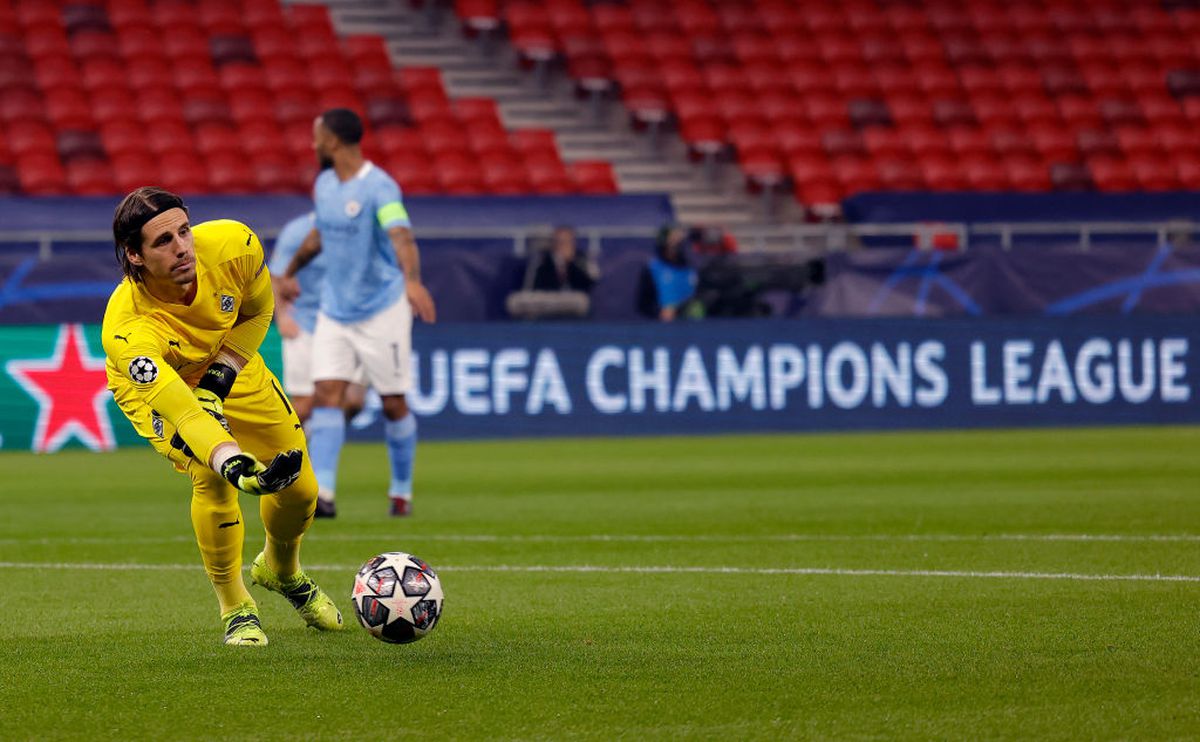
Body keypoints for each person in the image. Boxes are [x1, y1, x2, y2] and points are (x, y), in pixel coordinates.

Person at [101, 187, 343, 646]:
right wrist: (232, 461)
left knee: (302, 491)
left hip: (230, 363)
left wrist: (219, 378)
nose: (182, 248)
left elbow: (259, 311)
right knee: (211, 478)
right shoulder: (127, 331)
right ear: (134, 255)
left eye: (184, 232)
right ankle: (235, 606)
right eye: (163, 242)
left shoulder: (236, 245)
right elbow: (185, 412)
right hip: (163, 389)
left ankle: (281, 570)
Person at [281, 108, 436, 519]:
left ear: (332, 141)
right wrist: (289, 272)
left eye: (317, 136)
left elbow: (400, 233)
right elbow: (320, 236)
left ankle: (401, 491)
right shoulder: (325, 185)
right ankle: (324, 494)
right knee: (328, 394)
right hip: (335, 309)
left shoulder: (380, 188)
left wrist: (413, 280)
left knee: (392, 403)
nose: (313, 144)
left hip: (381, 309)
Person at [268, 210, 372, 428]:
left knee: (353, 400)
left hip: (348, 325)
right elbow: (275, 276)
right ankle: (277, 450)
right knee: (304, 406)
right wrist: (282, 317)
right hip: (305, 324)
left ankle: (314, 438)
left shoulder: (363, 231)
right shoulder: (297, 231)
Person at [637, 224, 700, 321]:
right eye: (673, 242)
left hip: (694, 324)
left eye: (680, 242)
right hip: (666, 327)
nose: (678, 246)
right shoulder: (652, 269)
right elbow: (643, 305)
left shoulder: (692, 268)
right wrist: (659, 312)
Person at [531, 226, 598, 293]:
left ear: (573, 243)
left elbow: (591, 281)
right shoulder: (544, 262)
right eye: (559, 241)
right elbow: (538, 286)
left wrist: (572, 261)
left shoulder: (581, 260)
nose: (562, 245)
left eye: (566, 241)